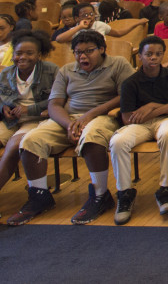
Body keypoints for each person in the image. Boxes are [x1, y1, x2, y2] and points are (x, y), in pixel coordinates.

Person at [8, 30, 134, 226]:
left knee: (91, 135)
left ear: (102, 49)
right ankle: (39, 196)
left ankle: (100, 195)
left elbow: (125, 95)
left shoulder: (118, 64)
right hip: (69, 119)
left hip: (103, 115)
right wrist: (68, 124)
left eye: (88, 51)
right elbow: (54, 104)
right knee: (30, 140)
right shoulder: (66, 70)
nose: (82, 56)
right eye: (77, 52)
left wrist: (89, 116)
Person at [109, 36, 168, 224]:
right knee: (117, 142)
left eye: (158, 54)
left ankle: (165, 189)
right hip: (138, 125)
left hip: (164, 120)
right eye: (149, 54)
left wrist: (151, 106)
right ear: (140, 56)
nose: (154, 58)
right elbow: (127, 118)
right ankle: (125, 193)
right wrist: (163, 107)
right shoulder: (130, 82)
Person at [0, 31, 57, 213]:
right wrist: (3, 108)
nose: (22, 57)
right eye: (18, 53)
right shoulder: (6, 73)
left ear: (39, 55)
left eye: (29, 53)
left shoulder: (51, 70)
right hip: (10, 120)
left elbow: (58, 99)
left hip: (36, 119)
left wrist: (28, 109)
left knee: (15, 144)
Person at [55, 3, 147, 43]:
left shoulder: (99, 25)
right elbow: (59, 39)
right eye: (84, 15)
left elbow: (119, 33)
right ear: (77, 18)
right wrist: (79, 27)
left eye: (91, 14)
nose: (89, 17)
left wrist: (137, 23)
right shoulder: (76, 30)